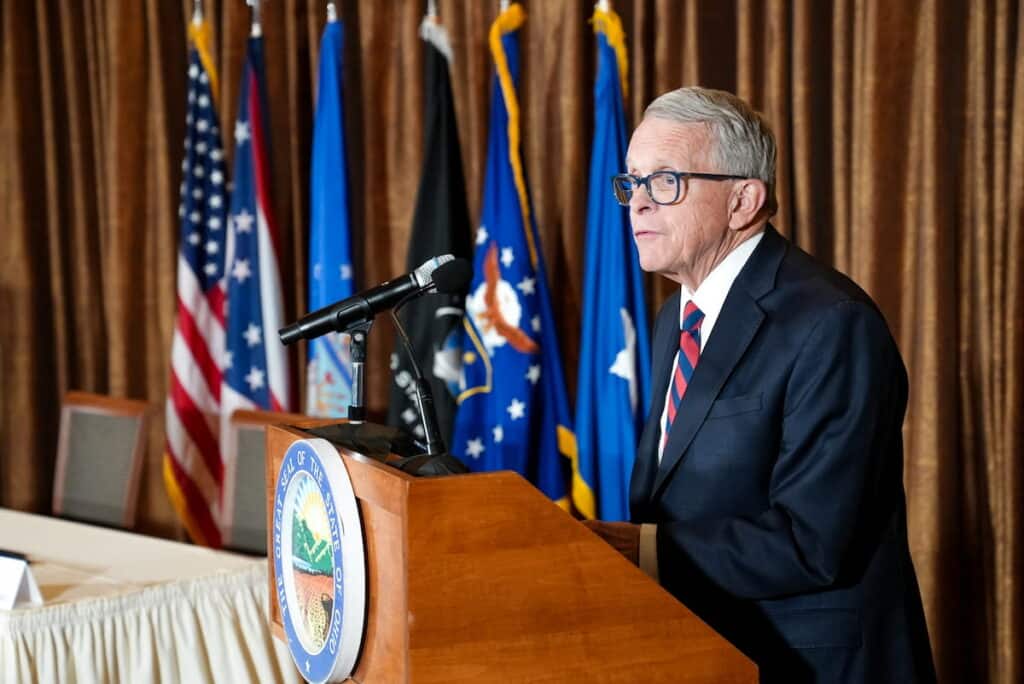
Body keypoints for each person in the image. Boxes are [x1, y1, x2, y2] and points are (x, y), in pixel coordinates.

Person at [582, 87, 936, 683]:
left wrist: (640, 550)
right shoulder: (678, 314)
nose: (637, 204)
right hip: (704, 650)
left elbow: (812, 540)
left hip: (810, 664)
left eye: (664, 181)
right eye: (632, 182)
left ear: (744, 199)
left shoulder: (832, 324)